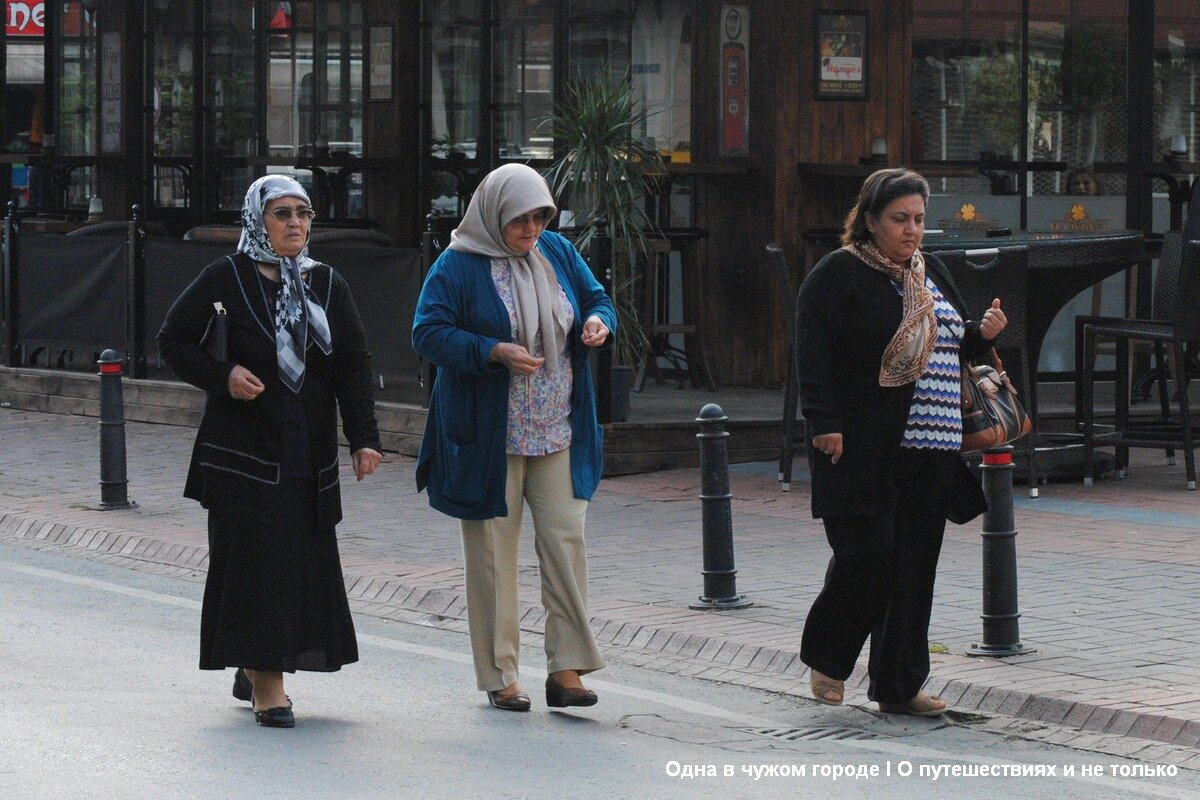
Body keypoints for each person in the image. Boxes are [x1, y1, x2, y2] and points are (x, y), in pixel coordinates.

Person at [158, 175, 383, 728]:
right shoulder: (226, 276)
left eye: (303, 214)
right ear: (257, 219)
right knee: (257, 563)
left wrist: (365, 437)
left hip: (307, 448)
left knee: (297, 563)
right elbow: (173, 340)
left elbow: (352, 363)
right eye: (281, 213)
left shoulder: (326, 283)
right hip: (243, 451)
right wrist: (223, 375)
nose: (295, 224)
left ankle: (256, 661)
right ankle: (268, 684)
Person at [795, 168, 1007, 716]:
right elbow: (811, 352)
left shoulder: (928, 269)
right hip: (865, 443)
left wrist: (980, 334)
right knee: (867, 557)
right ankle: (828, 655)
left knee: (915, 569)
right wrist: (822, 421)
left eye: (918, 219)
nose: (912, 230)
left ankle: (899, 685)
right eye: (899, 219)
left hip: (933, 443)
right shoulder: (837, 274)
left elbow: (952, 341)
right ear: (869, 220)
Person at [412, 163, 616, 712]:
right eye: (520, 219)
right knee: (492, 558)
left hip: (557, 430)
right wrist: (491, 351)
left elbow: (598, 299)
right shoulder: (457, 265)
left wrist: (599, 323)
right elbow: (427, 332)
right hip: (488, 439)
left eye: (540, 217)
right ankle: (502, 674)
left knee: (565, 544)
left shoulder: (557, 253)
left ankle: (567, 668)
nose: (531, 230)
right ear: (493, 213)